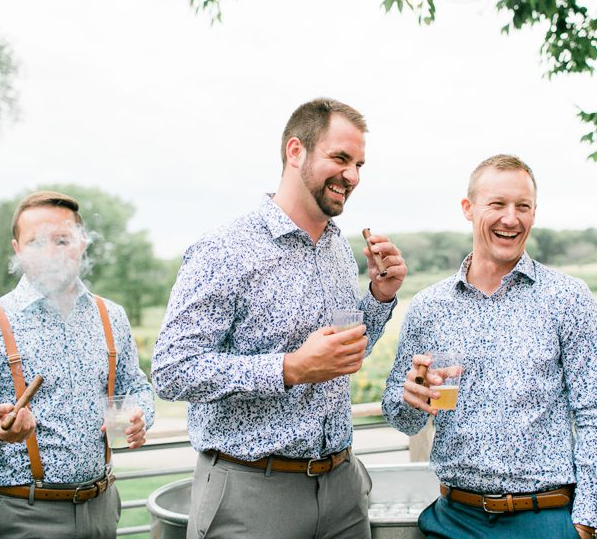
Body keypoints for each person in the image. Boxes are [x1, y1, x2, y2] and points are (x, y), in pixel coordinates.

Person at [152, 97, 407, 539]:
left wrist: (379, 296)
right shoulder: (225, 250)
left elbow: (341, 353)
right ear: (296, 151)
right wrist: (290, 368)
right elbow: (172, 371)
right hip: (251, 494)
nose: (353, 176)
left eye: (360, 164)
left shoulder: (337, 247)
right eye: (341, 158)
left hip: (342, 490)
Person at [382, 154, 597, 539]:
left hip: (545, 519)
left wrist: (585, 523)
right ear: (468, 208)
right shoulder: (429, 306)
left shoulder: (568, 298)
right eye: (497, 204)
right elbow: (403, 418)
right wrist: (410, 398)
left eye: (522, 207)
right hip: (454, 520)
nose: (511, 218)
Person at [0, 190, 155, 539]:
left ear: (82, 244)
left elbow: (137, 389)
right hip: (25, 515)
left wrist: (138, 414)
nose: (51, 252)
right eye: (36, 242)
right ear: (17, 249)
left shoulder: (111, 316)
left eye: (62, 239)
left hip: (102, 510)